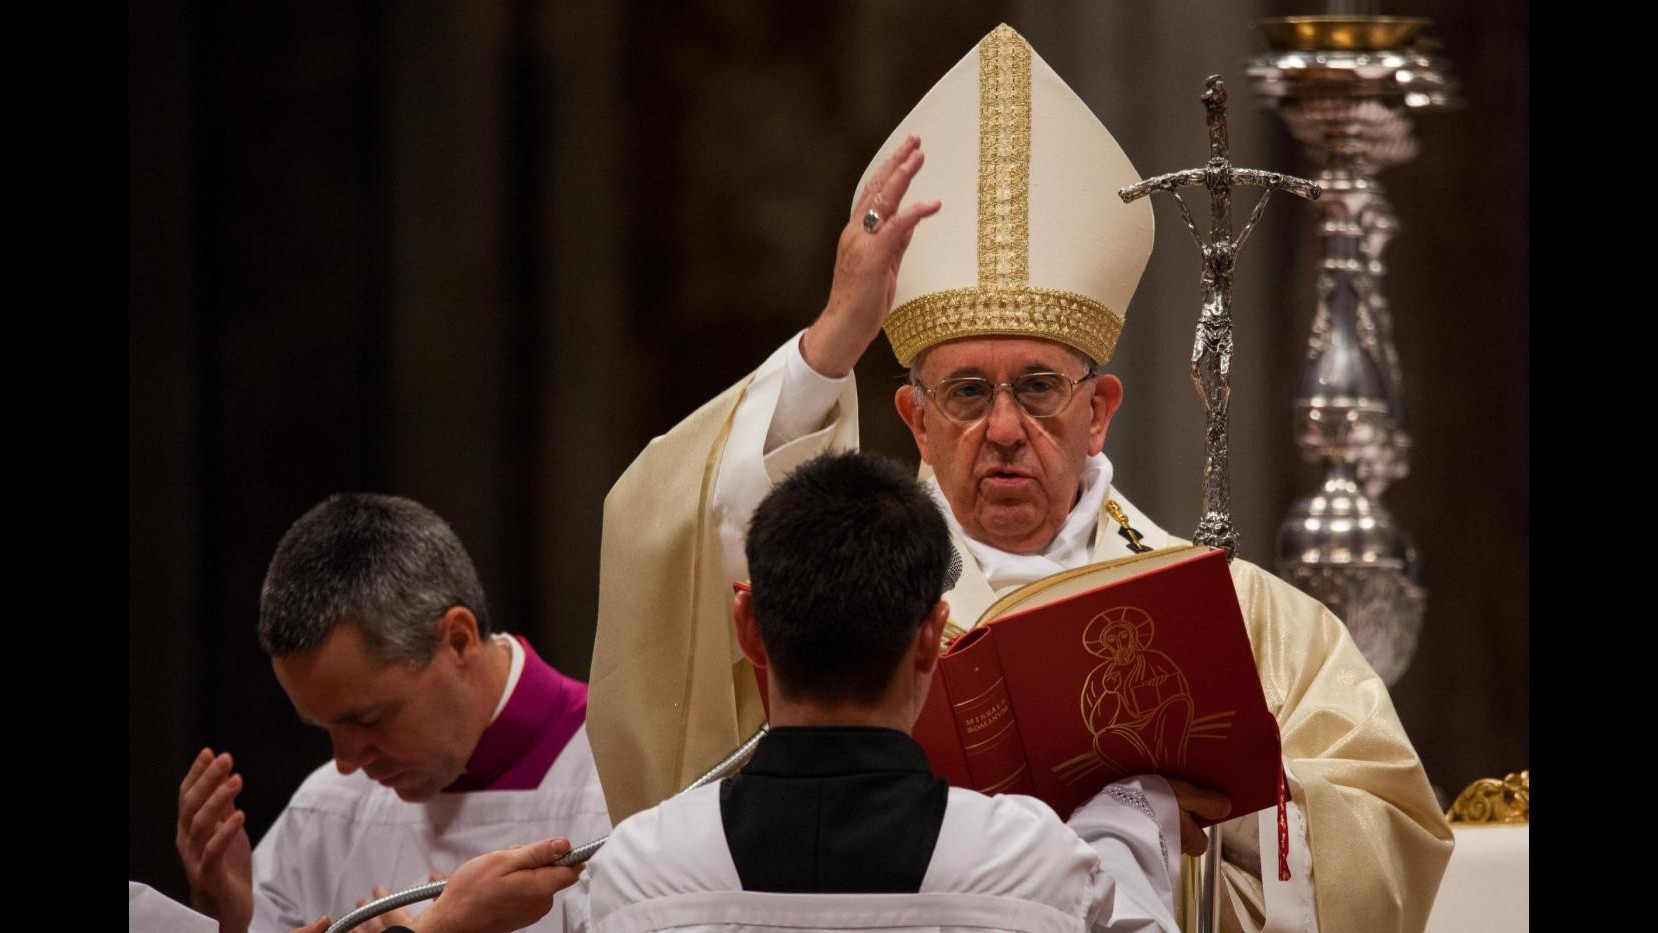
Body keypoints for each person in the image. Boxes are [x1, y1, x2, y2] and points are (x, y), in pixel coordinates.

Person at [587, 23, 1452, 933]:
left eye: (1039, 387)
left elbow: (1389, 827)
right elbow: (665, 535)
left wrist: (1217, 824)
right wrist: (831, 342)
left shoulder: (1245, 620)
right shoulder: (851, 596)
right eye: (966, 392)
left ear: (1099, 408)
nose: (1004, 429)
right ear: (914, 420)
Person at [414, 450, 1213, 933]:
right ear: (934, 636)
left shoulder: (635, 876)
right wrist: (1134, 806)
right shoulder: (1030, 865)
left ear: (748, 624)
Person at [175, 493, 610, 933]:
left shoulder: (621, 778)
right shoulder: (326, 810)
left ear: (458, 640)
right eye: (324, 727)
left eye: (367, 719)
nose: (346, 764)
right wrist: (226, 921)